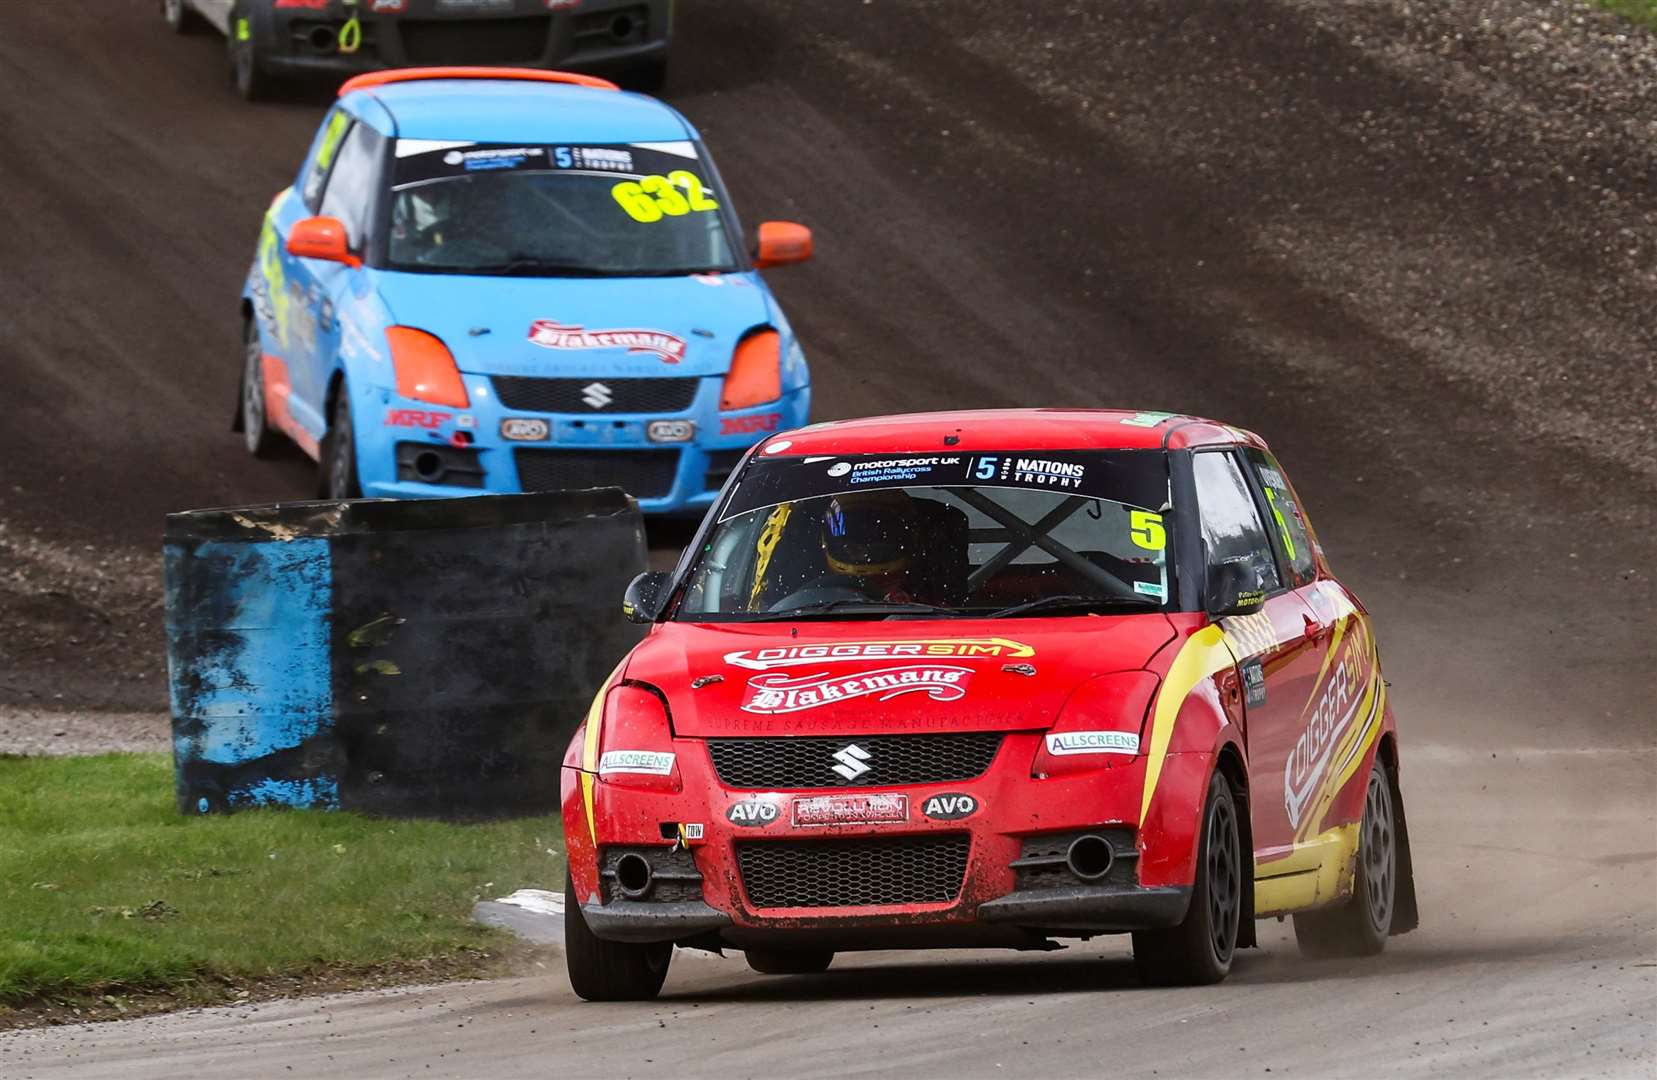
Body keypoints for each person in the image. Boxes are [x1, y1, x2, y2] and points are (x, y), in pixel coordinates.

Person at [819, 489, 920, 603]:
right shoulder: (809, 599)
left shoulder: (932, 606)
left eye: (875, 537)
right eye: (850, 543)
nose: (862, 551)